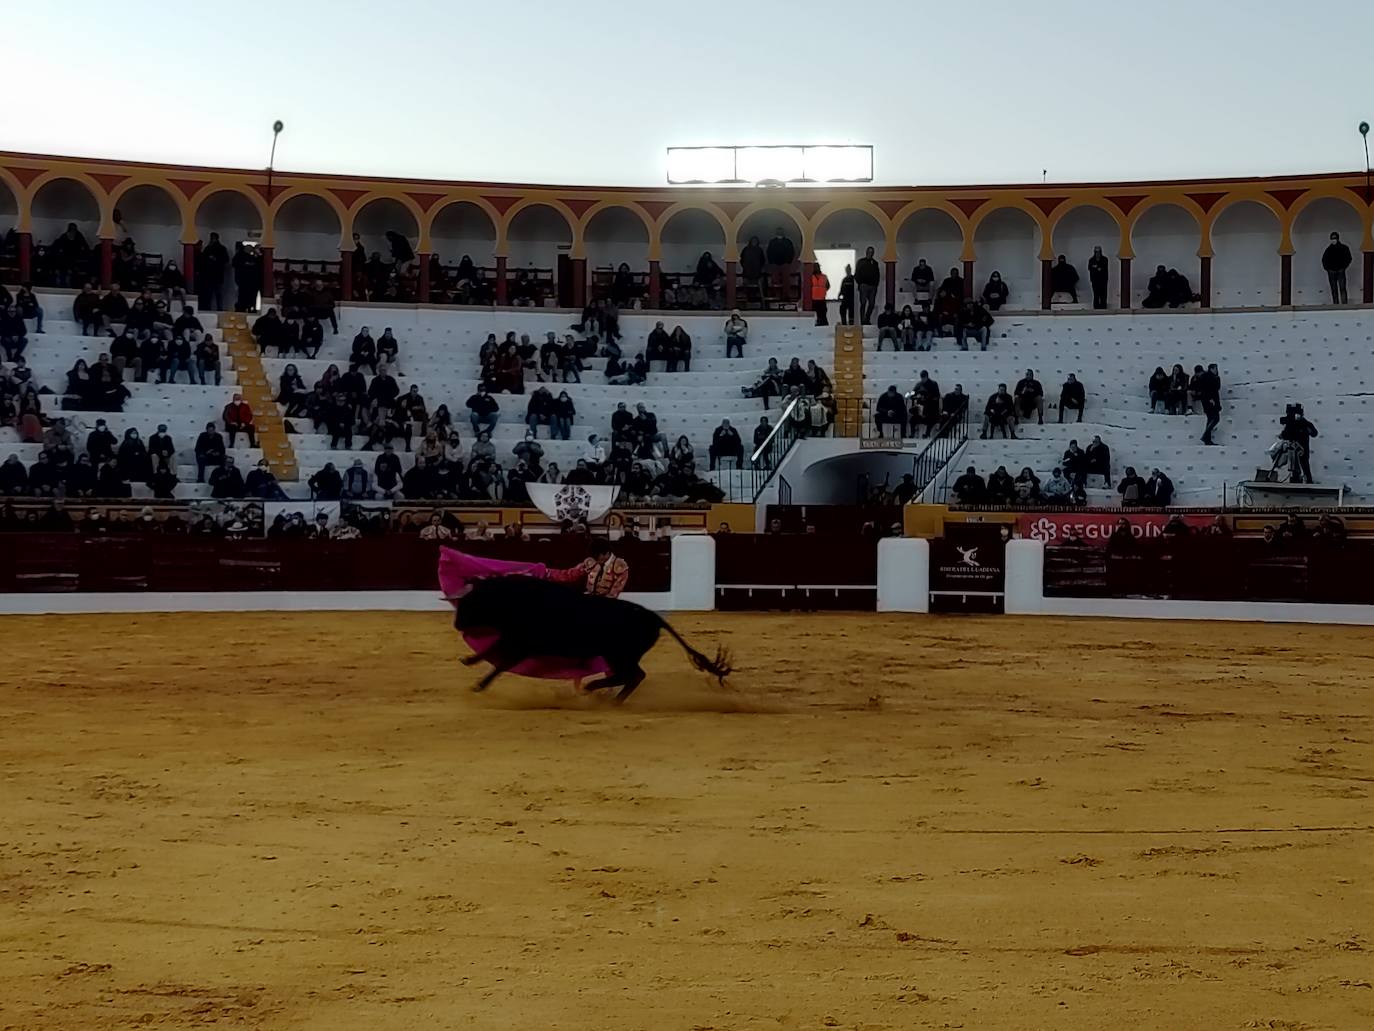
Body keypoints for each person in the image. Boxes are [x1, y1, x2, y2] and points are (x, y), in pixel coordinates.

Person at [551, 540, 630, 598]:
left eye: (598, 556)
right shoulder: (591, 561)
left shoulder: (620, 566)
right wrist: (548, 572)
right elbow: (570, 575)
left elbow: (613, 594)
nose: (595, 559)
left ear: (607, 553)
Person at [1279, 404, 1318, 483]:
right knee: (1295, 466)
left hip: (1302, 448)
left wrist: (1306, 429)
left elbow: (1314, 433)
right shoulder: (1291, 424)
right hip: (1293, 449)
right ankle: (1297, 479)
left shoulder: (1304, 423)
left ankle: (1307, 480)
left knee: (1304, 465)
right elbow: (1284, 435)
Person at [198, 232, 230, 310]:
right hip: (213, 275)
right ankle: (213, 308)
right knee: (211, 294)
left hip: (214, 274)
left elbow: (226, 260)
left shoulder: (216, 248)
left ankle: (216, 308)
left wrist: (216, 259)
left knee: (216, 293)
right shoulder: (209, 248)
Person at [766, 228, 796, 302]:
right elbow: (769, 252)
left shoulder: (787, 242)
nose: (780, 232)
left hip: (784, 264)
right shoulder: (772, 242)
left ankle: (785, 296)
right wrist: (771, 262)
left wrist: (788, 261)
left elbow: (791, 252)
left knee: (786, 280)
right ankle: (775, 295)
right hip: (775, 264)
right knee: (774, 280)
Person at [1322, 231, 1352, 305]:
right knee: (1334, 289)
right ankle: (1336, 305)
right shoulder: (1328, 250)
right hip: (1332, 272)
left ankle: (1344, 304)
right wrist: (1328, 269)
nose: (1333, 240)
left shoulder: (1344, 248)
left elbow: (1349, 258)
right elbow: (1324, 260)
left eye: (1334, 238)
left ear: (1338, 238)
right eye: (1332, 238)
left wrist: (1343, 267)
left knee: (1342, 288)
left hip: (1340, 271)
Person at [1197, 363, 1222, 445]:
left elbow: (1217, 387)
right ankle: (1206, 436)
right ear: (1211, 369)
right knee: (1215, 418)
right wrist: (1210, 398)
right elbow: (1207, 389)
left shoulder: (1212, 377)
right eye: (1215, 369)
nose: (1216, 370)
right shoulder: (1208, 377)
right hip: (1210, 401)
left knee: (1211, 419)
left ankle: (1207, 438)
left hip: (1209, 400)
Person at [855, 246, 881, 324]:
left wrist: (876, 284)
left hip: (873, 286)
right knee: (863, 303)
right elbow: (857, 273)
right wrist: (860, 283)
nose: (871, 254)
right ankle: (862, 320)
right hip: (864, 285)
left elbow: (877, 274)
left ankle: (867, 319)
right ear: (866, 252)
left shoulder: (875, 263)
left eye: (872, 252)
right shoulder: (861, 261)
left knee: (872, 304)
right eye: (869, 252)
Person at [739, 235, 767, 305]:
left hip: (757, 273)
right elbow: (741, 260)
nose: (754, 242)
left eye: (755, 241)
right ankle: (746, 299)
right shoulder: (746, 249)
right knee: (746, 286)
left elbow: (762, 260)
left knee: (761, 285)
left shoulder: (759, 250)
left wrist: (759, 267)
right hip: (747, 272)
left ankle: (760, 301)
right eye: (753, 241)